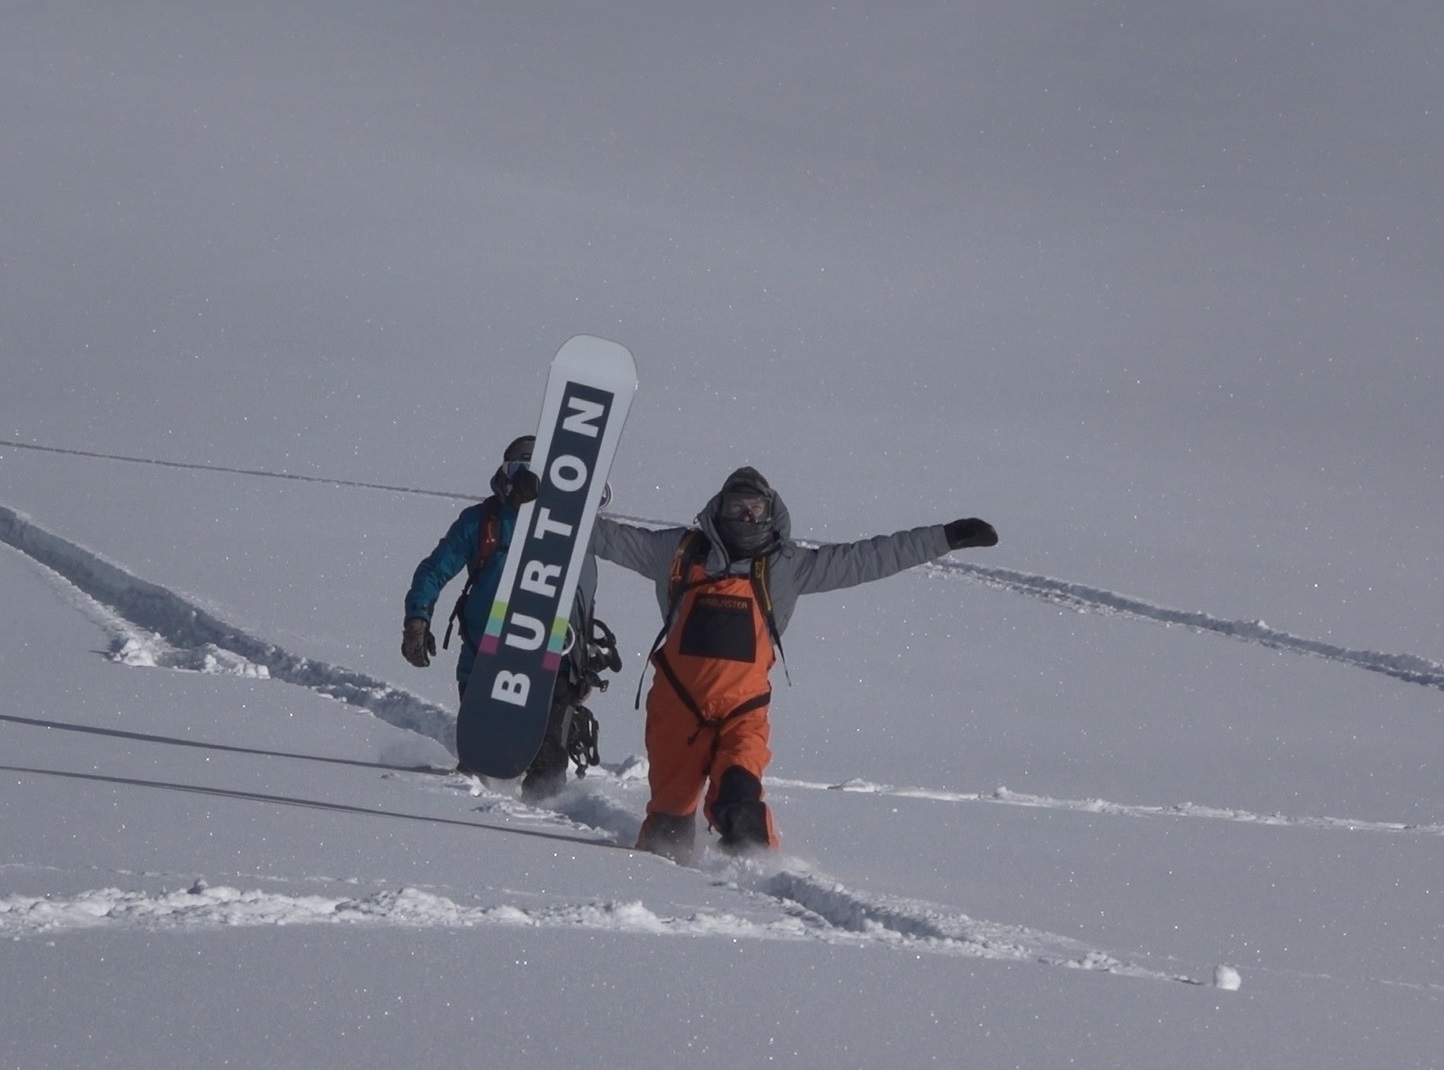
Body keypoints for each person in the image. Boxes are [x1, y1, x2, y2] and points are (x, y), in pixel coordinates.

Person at [591, 466, 998, 863]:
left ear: (771, 514)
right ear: (719, 508)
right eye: (736, 507)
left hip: (742, 711)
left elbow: (868, 557)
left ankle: (758, 880)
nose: (745, 516)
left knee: (741, 795)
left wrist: (946, 537)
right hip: (676, 709)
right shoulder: (678, 552)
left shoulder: (786, 566)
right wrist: (538, 502)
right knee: (669, 822)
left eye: (754, 508)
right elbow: (604, 537)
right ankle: (666, 889)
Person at [402, 434, 619, 799]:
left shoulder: (572, 530)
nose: (527, 484)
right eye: (520, 471)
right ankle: (465, 822)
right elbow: (433, 570)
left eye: (537, 475)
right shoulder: (482, 522)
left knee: (548, 766)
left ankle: (540, 830)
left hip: (553, 663)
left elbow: (584, 595)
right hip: (483, 657)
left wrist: (582, 661)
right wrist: (417, 620)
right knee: (482, 757)